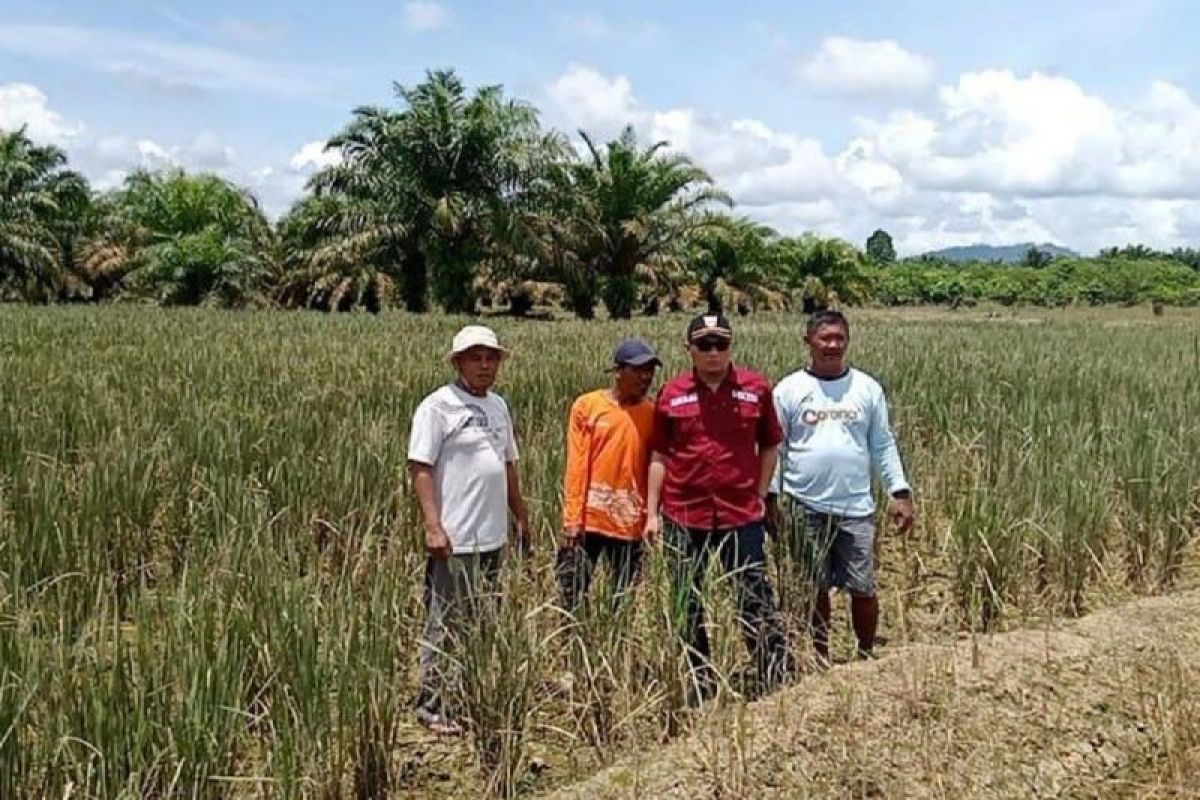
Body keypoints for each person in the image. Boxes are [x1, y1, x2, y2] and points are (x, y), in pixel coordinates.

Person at [645, 313, 793, 701]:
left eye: (721, 344)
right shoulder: (672, 393)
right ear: (688, 349)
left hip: (740, 513)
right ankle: (699, 680)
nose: (713, 353)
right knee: (686, 599)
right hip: (683, 512)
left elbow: (771, 445)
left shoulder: (756, 388)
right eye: (704, 345)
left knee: (753, 594)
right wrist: (651, 514)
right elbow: (660, 454)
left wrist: (761, 495)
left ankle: (774, 675)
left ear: (731, 346)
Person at [767, 309, 915, 664]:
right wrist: (769, 498)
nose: (832, 345)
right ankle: (820, 657)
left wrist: (900, 491)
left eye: (839, 338)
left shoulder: (866, 388)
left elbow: (882, 443)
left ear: (847, 341)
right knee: (814, 587)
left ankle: (866, 656)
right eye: (824, 338)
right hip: (804, 505)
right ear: (808, 342)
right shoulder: (788, 390)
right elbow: (774, 448)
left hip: (856, 508)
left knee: (862, 587)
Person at [407, 324, 530, 735]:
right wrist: (433, 525)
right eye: (475, 357)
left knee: (481, 620)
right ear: (458, 362)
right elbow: (420, 467)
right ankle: (432, 705)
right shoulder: (438, 406)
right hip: (455, 539)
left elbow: (508, 464)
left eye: (490, 357)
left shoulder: (499, 407)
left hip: (492, 537)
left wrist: (521, 515)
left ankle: (464, 694)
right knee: (444, 621)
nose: (484, 365)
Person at [557, 338, 660, 610]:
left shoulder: (653, 414)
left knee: (623, 601)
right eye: (638, 370)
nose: (645, 377)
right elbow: (576, 466)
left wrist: (652, 515)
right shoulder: (587, 407)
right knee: (572, 594)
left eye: (649, 370)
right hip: (589, 519)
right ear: (618, 371)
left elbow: (657, 466)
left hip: (630, 521)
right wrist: (571, 519)